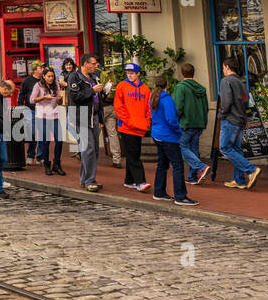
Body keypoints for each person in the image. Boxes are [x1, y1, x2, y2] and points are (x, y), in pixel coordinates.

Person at [149, 75, 198, 205]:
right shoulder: (167, 99)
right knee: (177, 165)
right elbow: (171, 120)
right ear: (167, 85)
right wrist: (178, 131)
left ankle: (159, 192)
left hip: (157, 134)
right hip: (168, 136)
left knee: (162, 164)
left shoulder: (153, 98)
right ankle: (180, 196)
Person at [218, 56, 260, 189]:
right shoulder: (242, 83)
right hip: (241, 119)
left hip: (230, 119)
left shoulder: (226, 81)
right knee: (236, 149)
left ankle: (251, 170)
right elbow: (246, 101)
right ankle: (239, 180)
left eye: (223, 68)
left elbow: (226, 102)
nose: (223, 70)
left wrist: (222, 114)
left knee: (224, 148)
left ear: (227, 67)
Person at [66, 53, 105, 192]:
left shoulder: (95, 77)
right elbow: (75, 97)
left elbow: (98, 99)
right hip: (81, 115)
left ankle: (84, 179)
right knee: (88, 148)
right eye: (93, 64)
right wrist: (92, 90)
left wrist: (100, 118)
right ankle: (90, 180)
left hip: (93, 115)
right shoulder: (74, 77)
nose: (96, 66)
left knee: (93, 150)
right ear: (85, 63)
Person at [113, 61, 152, 192]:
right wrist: (128, 121)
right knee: (134, 155)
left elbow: (149, 108)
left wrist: (146, 122)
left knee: (133, 153)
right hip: (127, 127)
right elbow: (118, 106)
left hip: (140, 127)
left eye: (132, 73)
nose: (130, 75)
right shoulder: (122, 86)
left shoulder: (145, 89)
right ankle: (140, 182)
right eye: (128, 73)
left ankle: (129, 181)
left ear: (138, 74)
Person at [173, 63, 210, 185]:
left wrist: (174, 122)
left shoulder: (181, 87)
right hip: (199, 123)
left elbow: (178, 107)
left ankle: (201, 167)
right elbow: (206, 108)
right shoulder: (201, 88)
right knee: (194, 149)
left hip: (186, 123)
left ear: (182, 73)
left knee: (181, 146)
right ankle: (192, 177)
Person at [32, 68, 66, 175]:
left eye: (52, 76)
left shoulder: (55, 85)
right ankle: (47, 164)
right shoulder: (38, 86)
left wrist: (60, 99)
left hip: (54, 115)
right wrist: (44, 97)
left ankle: (57, 163)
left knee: (59, 140)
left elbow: (58, 102)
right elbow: (32, 100)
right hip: (42, 117)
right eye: (49, 76)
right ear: (44, 76)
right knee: (45, 142)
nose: (51, 78)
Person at [17, 61, 45, 164]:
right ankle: (30, 155)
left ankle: (40, 156)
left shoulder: (45, 80)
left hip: (43, 110)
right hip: (31, 110)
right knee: (32, 133)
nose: (42, 69)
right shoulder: (27, 81)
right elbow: (21, 94)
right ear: (34, 70)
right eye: (40, 67)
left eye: (43, 67)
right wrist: (20, 107)